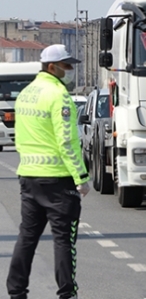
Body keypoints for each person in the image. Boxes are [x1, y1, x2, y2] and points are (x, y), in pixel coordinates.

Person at [7, 44, 90, 299]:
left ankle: (16, 291)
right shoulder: (59, 96)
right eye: (67, 65)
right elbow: (67, 141)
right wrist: (82, 178)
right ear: (52, 67)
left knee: (27, 237)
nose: (71, 70)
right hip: (58, 179)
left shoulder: (26, 94)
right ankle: (67, 293)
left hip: (29, 176)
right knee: (64, 240)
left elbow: (19, 138)